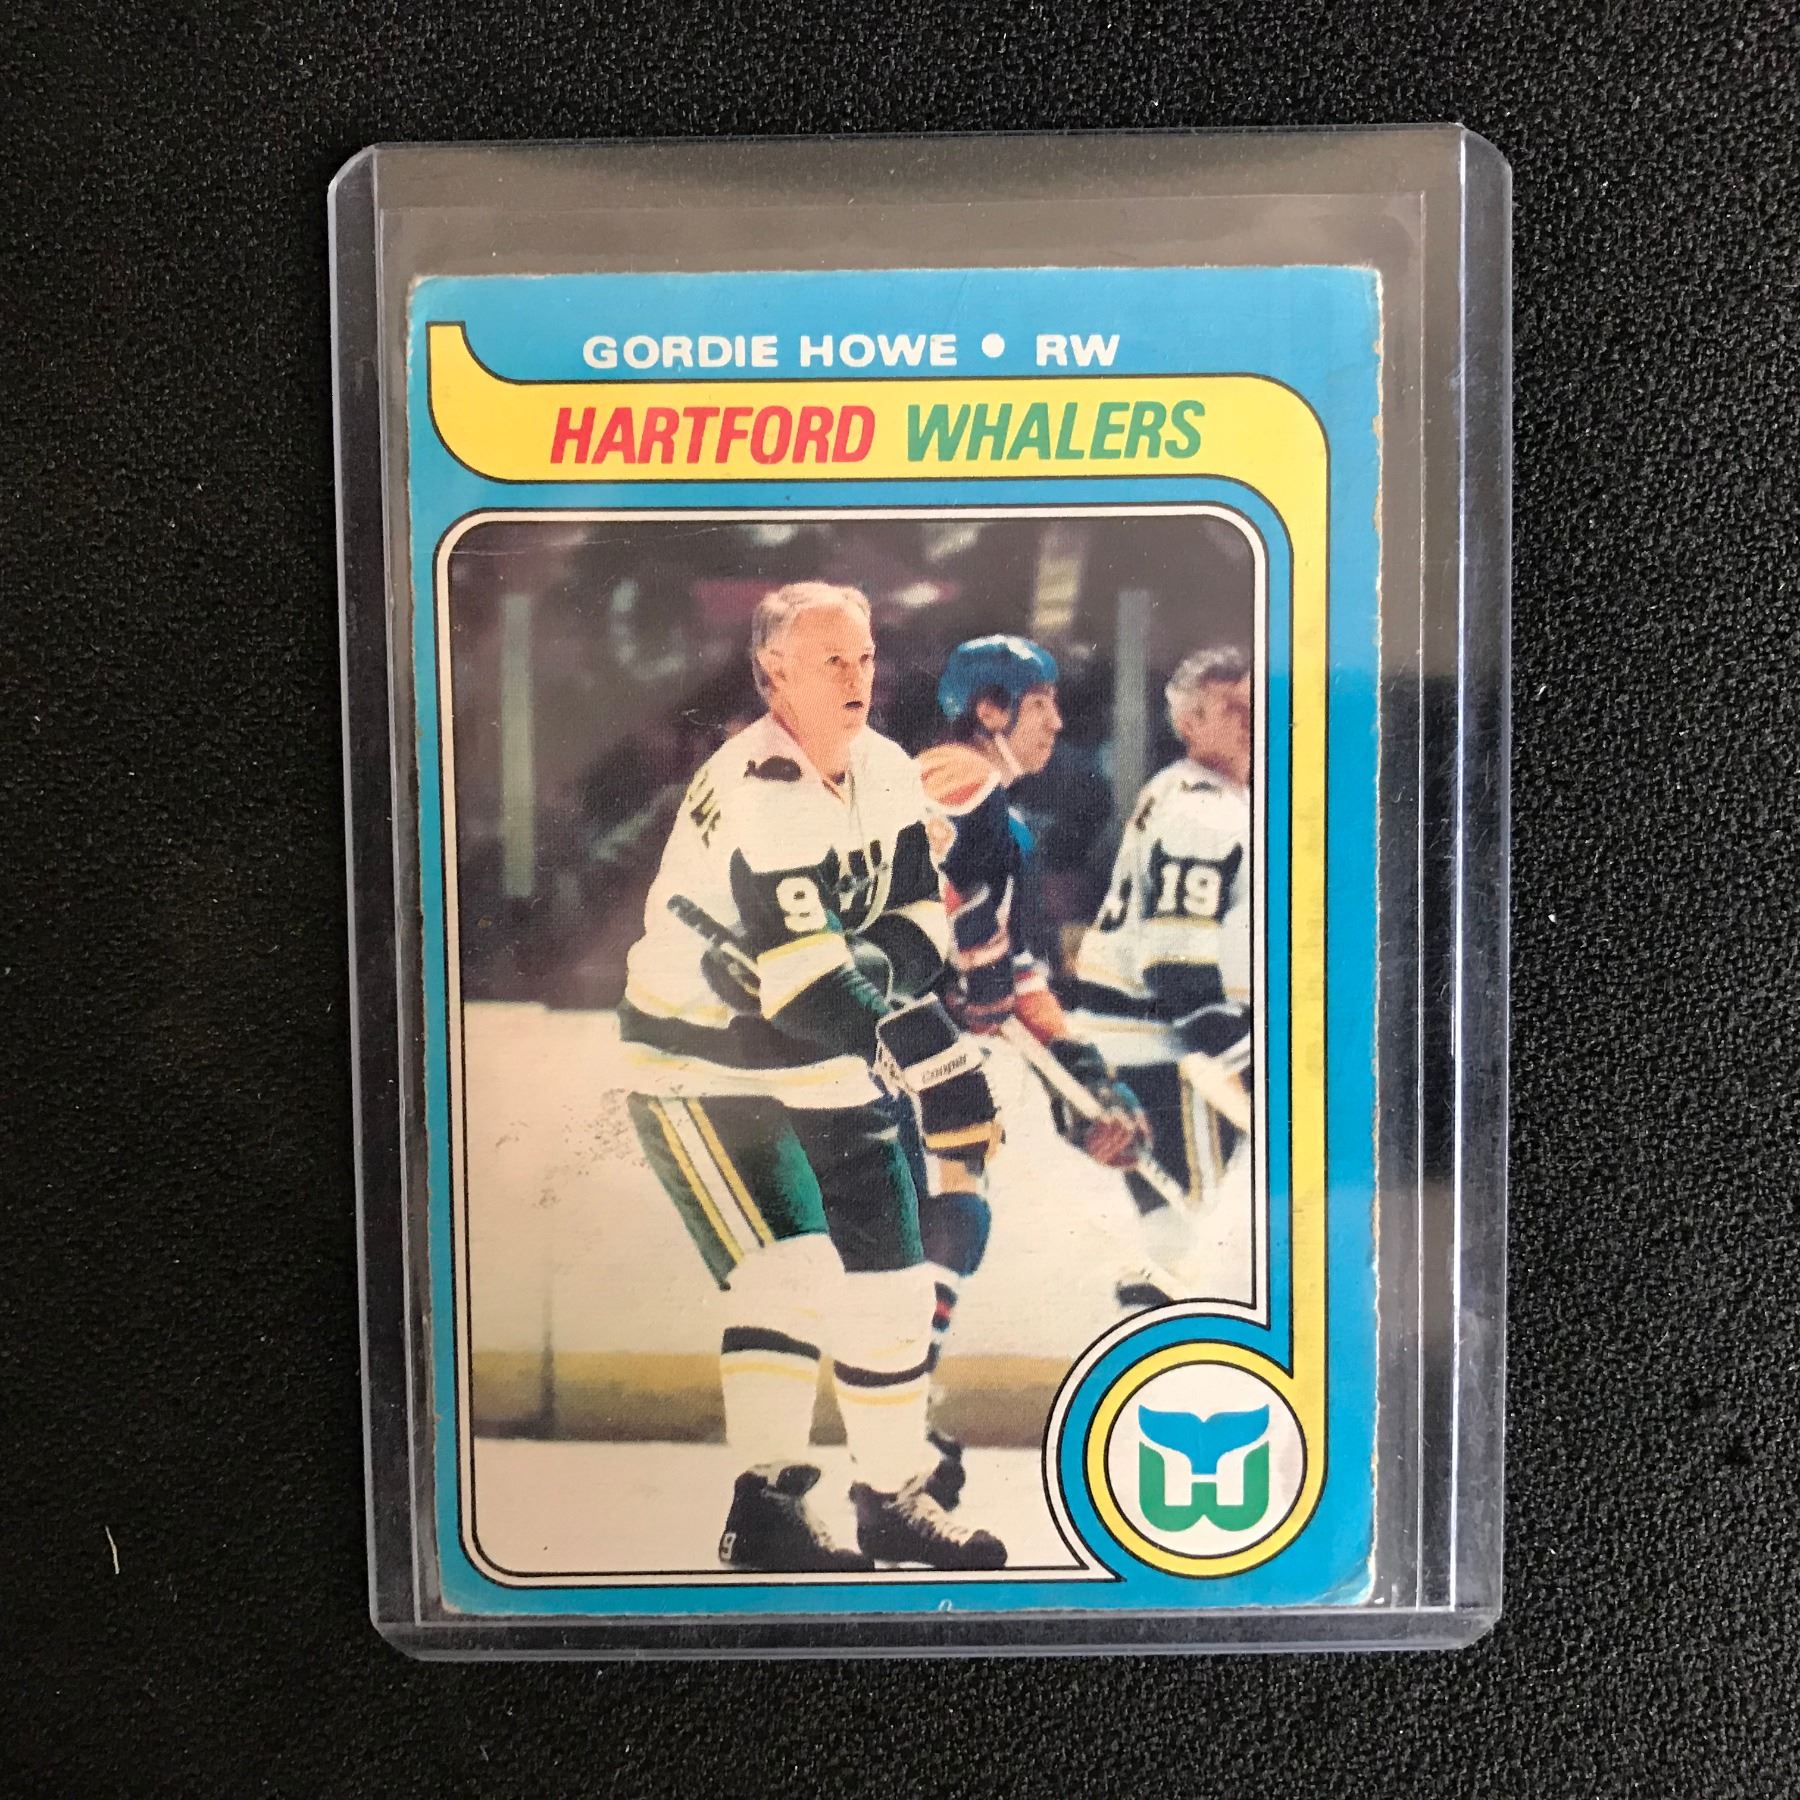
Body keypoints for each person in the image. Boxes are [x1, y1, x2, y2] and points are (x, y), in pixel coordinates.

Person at [617, 583, 1010, 1573]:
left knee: (894, 1284)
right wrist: (921, 1043)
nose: (855, 676)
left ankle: (891, 1496)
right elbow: (807, 992)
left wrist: (859, 970)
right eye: (830, 659)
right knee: (790, 1270)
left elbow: (921, 929)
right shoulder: (760, 786)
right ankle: (768, 1508)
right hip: (697, 1064)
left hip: (819, 1057)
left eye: (865, 656)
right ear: (772, 674)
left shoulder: (885, 769)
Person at [913, 635, 1150, 1388]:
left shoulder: (1005, 824)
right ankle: (892, 1414)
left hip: (918, 1047)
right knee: (946, 1215)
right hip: (879, 1041)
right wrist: (975, 967)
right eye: (1040, 703)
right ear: (990, 710)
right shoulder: (957, 778)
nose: (1056, 723)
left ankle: (901, 1408)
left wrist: (1082, 1069)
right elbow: (929, 883)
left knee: (957, 1215)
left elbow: (1017, 974)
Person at [1073, 645, 1254, 1305]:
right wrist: (1243, 1062)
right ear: (1188, 723)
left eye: (1257, 704)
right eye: (1232, 708)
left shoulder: (1195, 794)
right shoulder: (1202, 810)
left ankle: (1154, 1332)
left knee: (1177, 1229)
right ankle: (1164, 1343)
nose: (1251, 719)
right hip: (1167, 1047)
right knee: (1193, 1231)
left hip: (1140, 1042)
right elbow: (1176, 964)